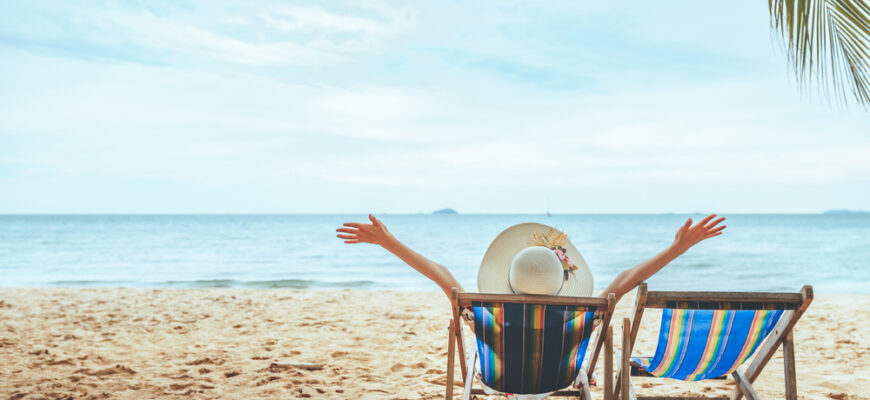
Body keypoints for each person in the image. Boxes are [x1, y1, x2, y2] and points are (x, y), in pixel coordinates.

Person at [335, 214, 725, 302]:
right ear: (563, 281)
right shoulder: (582, 317)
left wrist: (389, 242)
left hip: (502, 381)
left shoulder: (488, 316)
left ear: (507, 277)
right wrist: (677, 249)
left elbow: (442, 276)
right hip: (560, 378)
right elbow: (624, 281)